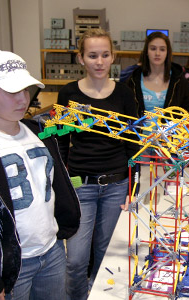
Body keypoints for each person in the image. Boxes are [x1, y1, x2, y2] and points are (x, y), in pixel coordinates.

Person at [0, 50, 81, 300]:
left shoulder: (40, 132)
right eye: (11, 92)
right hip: (9, 265)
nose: (22, 99)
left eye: (25, 90)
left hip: (51, 252)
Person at [57, 29, 140, 300]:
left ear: (113, 56)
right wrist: (62, 179)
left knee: (106, 254)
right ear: (81, 58)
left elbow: (133, 143)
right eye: (92, 55)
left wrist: (133, 186)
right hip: (81, 185)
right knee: (76, 259)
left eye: (105, 55)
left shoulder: (125, 95)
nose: (99, 61)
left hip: (117, 184)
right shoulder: (68, 93)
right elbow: (60, 140)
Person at [127, 31, 189, 118]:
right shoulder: (133, 80)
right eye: (153, 49)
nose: (157, 53)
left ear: (167, 52)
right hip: (140, 131)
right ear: (146, 51)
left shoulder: (180, 82)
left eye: (162, 49)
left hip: (171, 131)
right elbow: (125, 112)